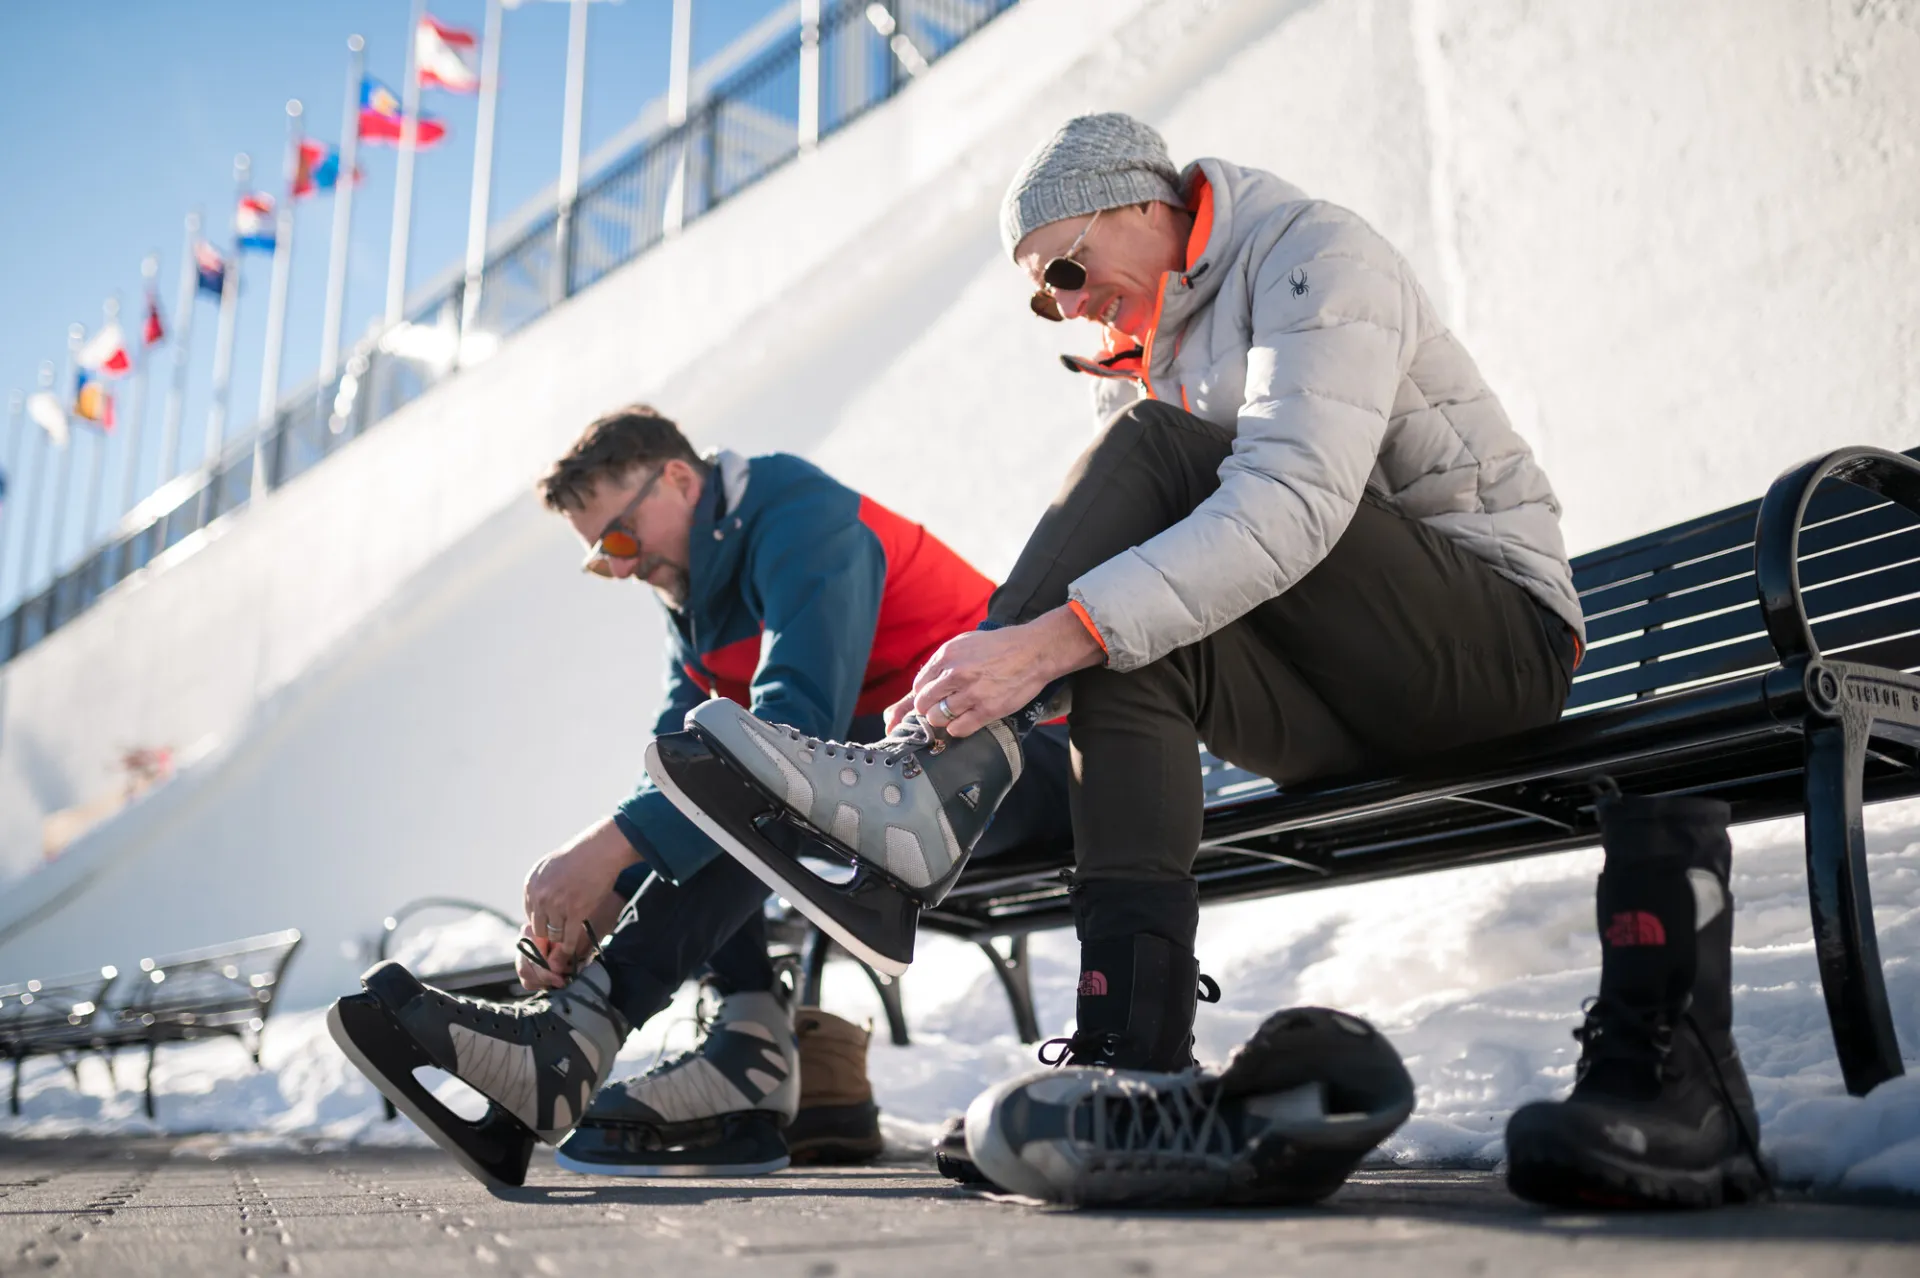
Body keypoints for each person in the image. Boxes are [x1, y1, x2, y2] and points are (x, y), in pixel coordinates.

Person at [660, 114, 1767, 1208]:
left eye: (1067, 268)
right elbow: (1153, 597)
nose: (1067, 305)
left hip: (1489, 651)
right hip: (1338, 693)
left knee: (1132, 516)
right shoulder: (1149, 355)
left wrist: (1041, 645)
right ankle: (1128, 1054)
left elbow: (1293, 502)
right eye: (1045, 297)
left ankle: (926, 775)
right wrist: (1059, 655)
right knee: (1125, 653)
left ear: (1147, 201)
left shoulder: (1312, 255)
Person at [328, 406, 1071, 1187]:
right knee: (708, 771)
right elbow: (670, 764)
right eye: (598, 561)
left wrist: (614, 848)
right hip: (905, 789)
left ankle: (579, 1040)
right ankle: (743, 1043)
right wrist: (609, 890)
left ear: (679, 479)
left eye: (618, 540)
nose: (619, 568)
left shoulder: (802, 515)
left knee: (753, 774)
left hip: (1030, 755)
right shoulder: (693, 597)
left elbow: (792, 734)